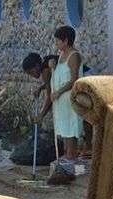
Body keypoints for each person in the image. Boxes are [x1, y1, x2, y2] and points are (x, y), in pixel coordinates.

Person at [44, 26, 85, 185]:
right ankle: (69, 159)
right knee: (64, 129)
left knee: (71, 130)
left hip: (69, 98)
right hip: (60, 101)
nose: (56, 44)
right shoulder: (61, 55)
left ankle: (71, 160)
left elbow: (74, 79)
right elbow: (58, 73)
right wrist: (53, 65)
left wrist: (59, 92)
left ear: (66, 40)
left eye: (57, 41)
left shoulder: (74, 56)